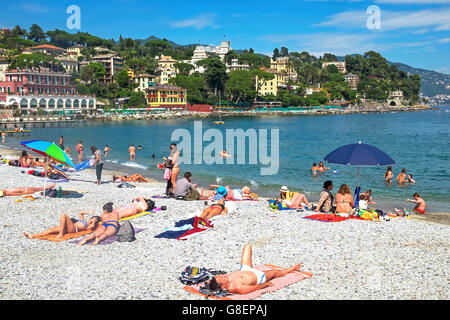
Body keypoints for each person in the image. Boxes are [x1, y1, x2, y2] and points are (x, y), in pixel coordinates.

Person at [207, 243, 302, 295]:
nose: (223, 275)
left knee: (247, 246)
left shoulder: (222, 280)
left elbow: (214, 283)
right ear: (223, 286)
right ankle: (290, 270)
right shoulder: (237, 288)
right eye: (222, 278)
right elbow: (255, 288)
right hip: (258, 277)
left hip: (244, 269)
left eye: (220, 275)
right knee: (276, 272)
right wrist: (266, 284)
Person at [23, 213, 101, 239]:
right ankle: (33, 235)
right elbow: (81, 213)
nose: (94, 219)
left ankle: (61, 233)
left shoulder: (90, 226)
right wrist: (88, 212)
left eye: (96, 219)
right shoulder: (84, 220)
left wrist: (94, 222)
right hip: (70, 226)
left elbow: (91, 228)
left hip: (74, 229)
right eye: (94, 217)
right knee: (51, 230)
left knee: (63, 215)